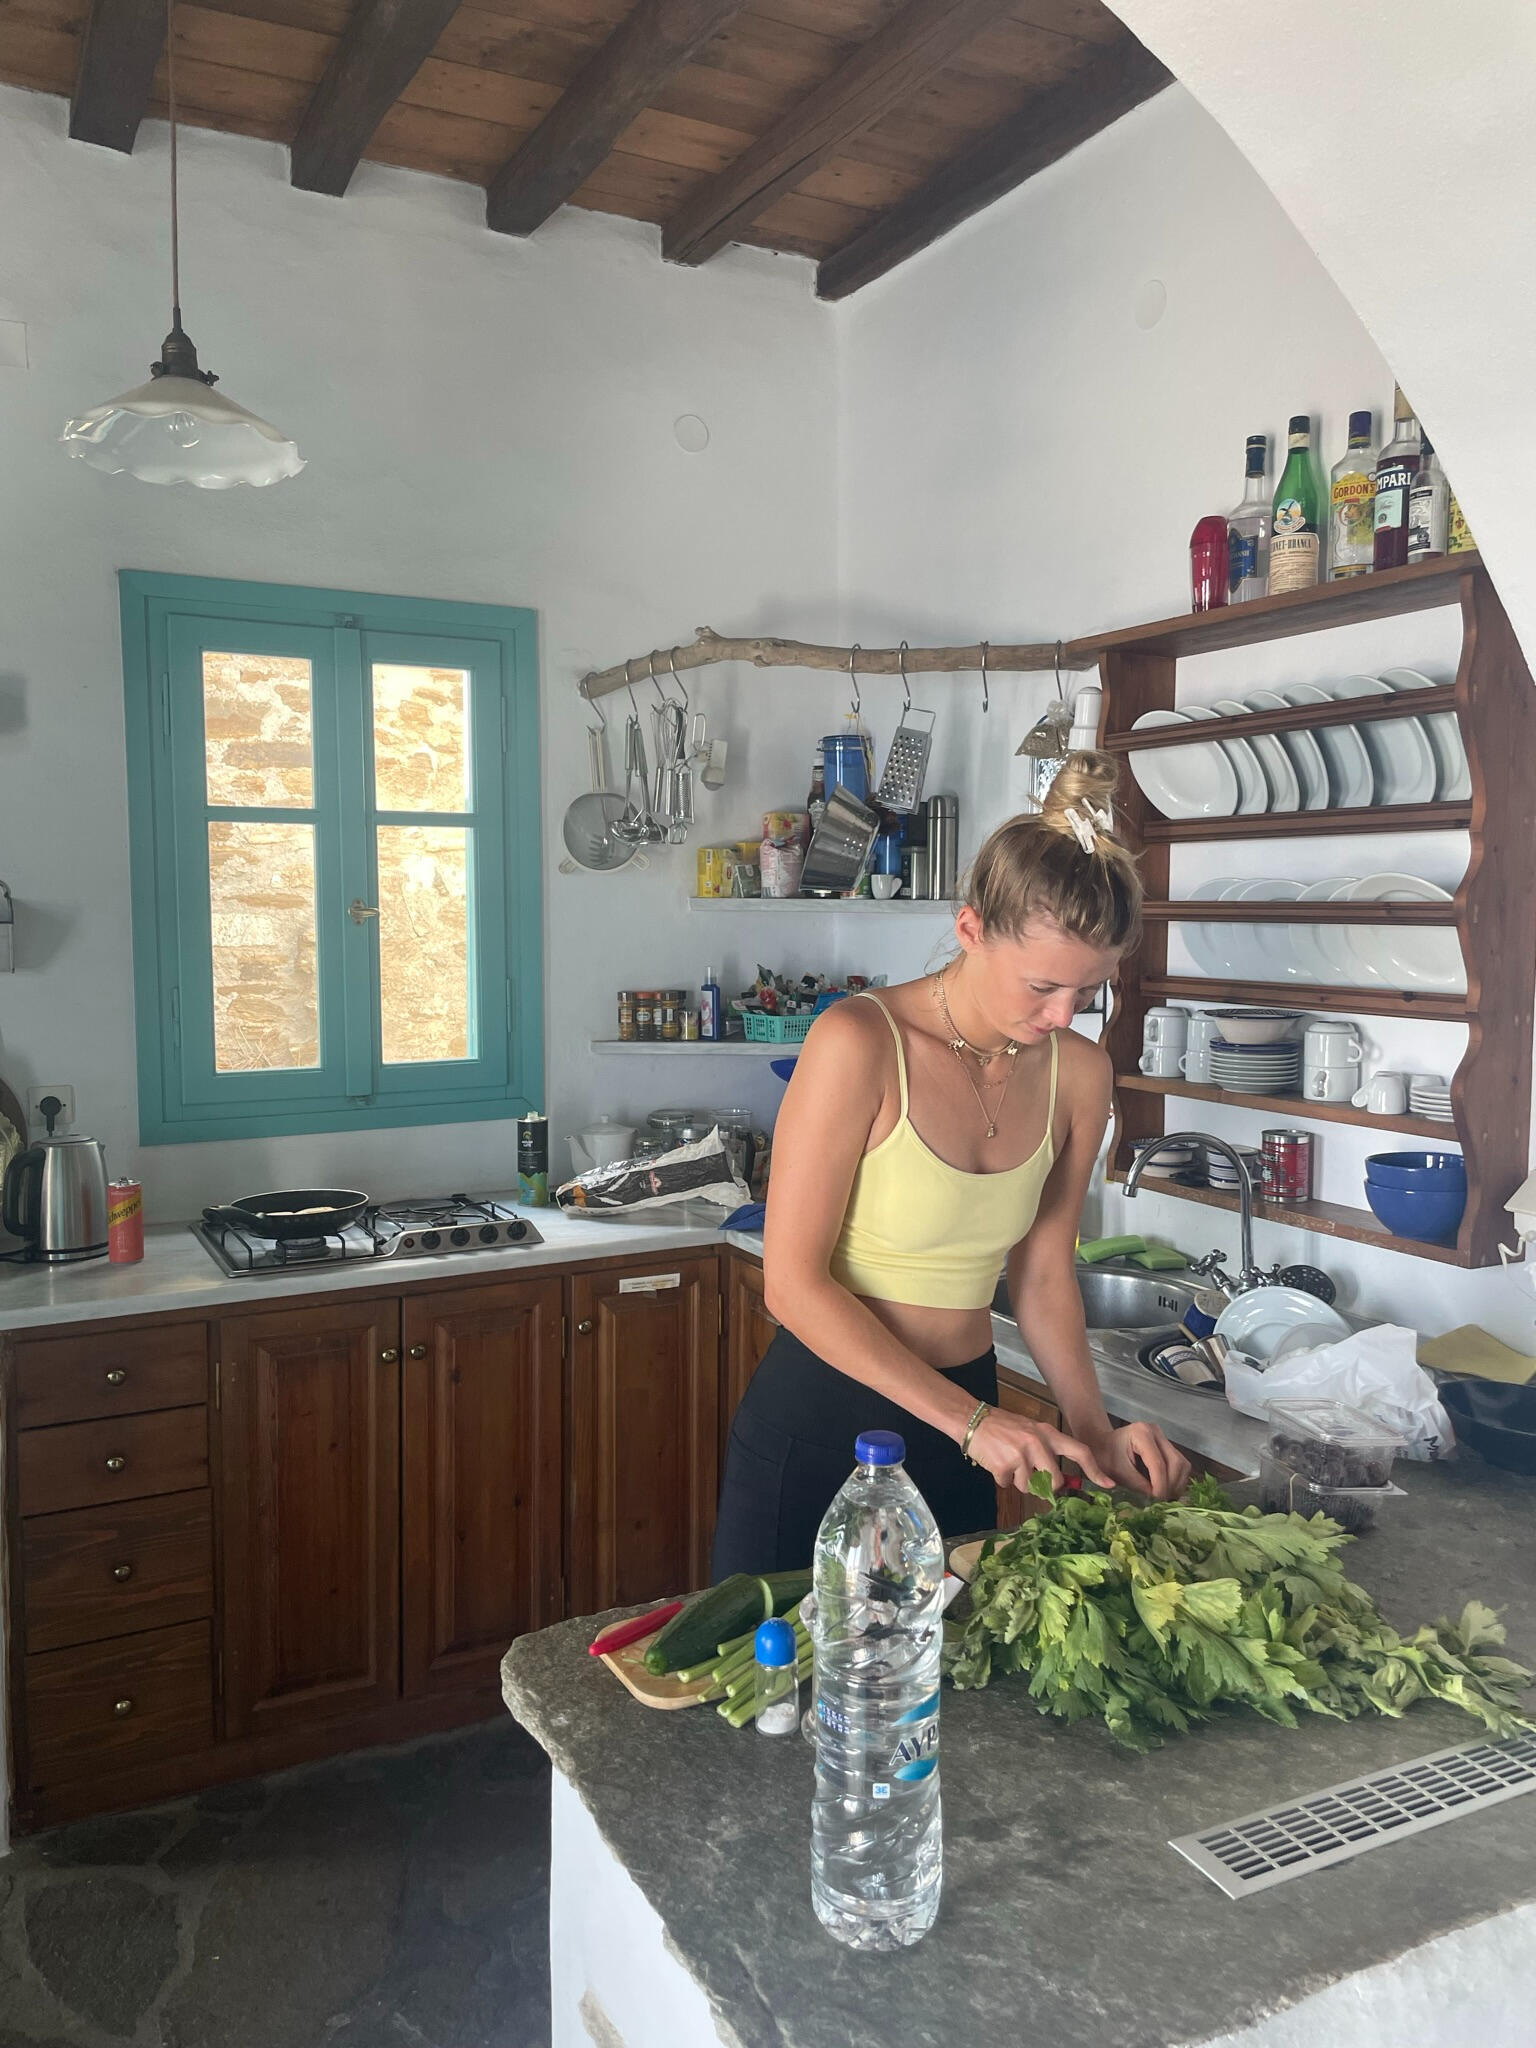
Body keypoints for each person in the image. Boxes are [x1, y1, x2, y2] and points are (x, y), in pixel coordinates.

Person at [712, 752, 1191, 1578]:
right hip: (825, 1418)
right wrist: (971, 1423)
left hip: (967, 1426)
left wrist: (1094, 1432)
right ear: (970, 929)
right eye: (1043, 986)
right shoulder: (859, 1043)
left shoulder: (1078, 1074)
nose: (1063, 1015)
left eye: (1091, 992)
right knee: (779, 1698)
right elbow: (792, 1284)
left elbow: (1042, 1273)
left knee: (945, 1693)